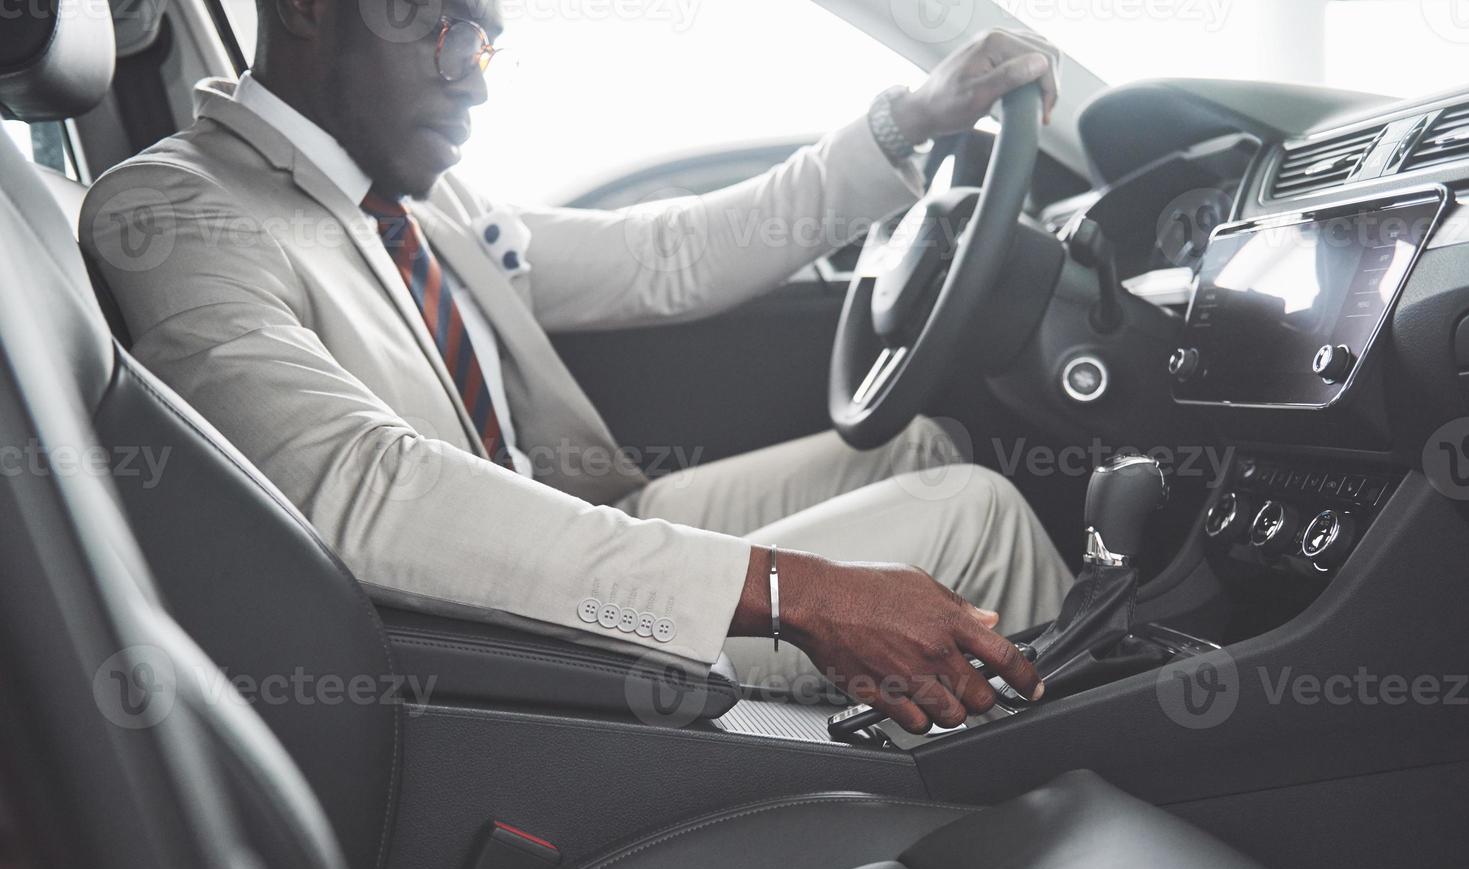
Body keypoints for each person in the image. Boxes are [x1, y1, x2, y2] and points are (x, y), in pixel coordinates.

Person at [82, 0, 1071, 733]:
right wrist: (796, 592)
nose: (474, 77)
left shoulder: (412, 195)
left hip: (595, 524)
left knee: (917, 443)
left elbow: (666, 255)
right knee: (970, 507)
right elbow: (358, 485)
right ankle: (1076, 763)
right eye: (445, 31)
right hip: (505, 638)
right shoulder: (175, 209)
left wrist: (911, 119)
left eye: (485, 40)